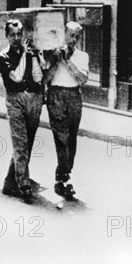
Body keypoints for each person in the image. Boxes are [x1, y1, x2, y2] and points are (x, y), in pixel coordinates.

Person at [0, 20, 44, 202]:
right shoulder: (2, 56)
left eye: (19, 34)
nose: (16, 38)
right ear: (7, 36)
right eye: (12, 35)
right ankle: (24, 185)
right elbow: (16, 77)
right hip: (15, 99)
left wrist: (35, 56)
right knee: (20, 142)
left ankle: (10, 182)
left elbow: (39, 76)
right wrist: (25, 55)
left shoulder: (31, 54)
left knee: (28, 142)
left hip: (34, 99)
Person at [43, 22, 89, 199]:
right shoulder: (52, 54)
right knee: (61, 138)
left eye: (77, 36)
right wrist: (56, 61)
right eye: (71, 35)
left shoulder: (82, 56)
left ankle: (61, 177)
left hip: (74, 97)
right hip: (56, 96)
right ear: (64, 35)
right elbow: (45, 79)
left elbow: (83, 79)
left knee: (71, 139)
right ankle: (65, 179)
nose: (74, 40)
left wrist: (67, 61)